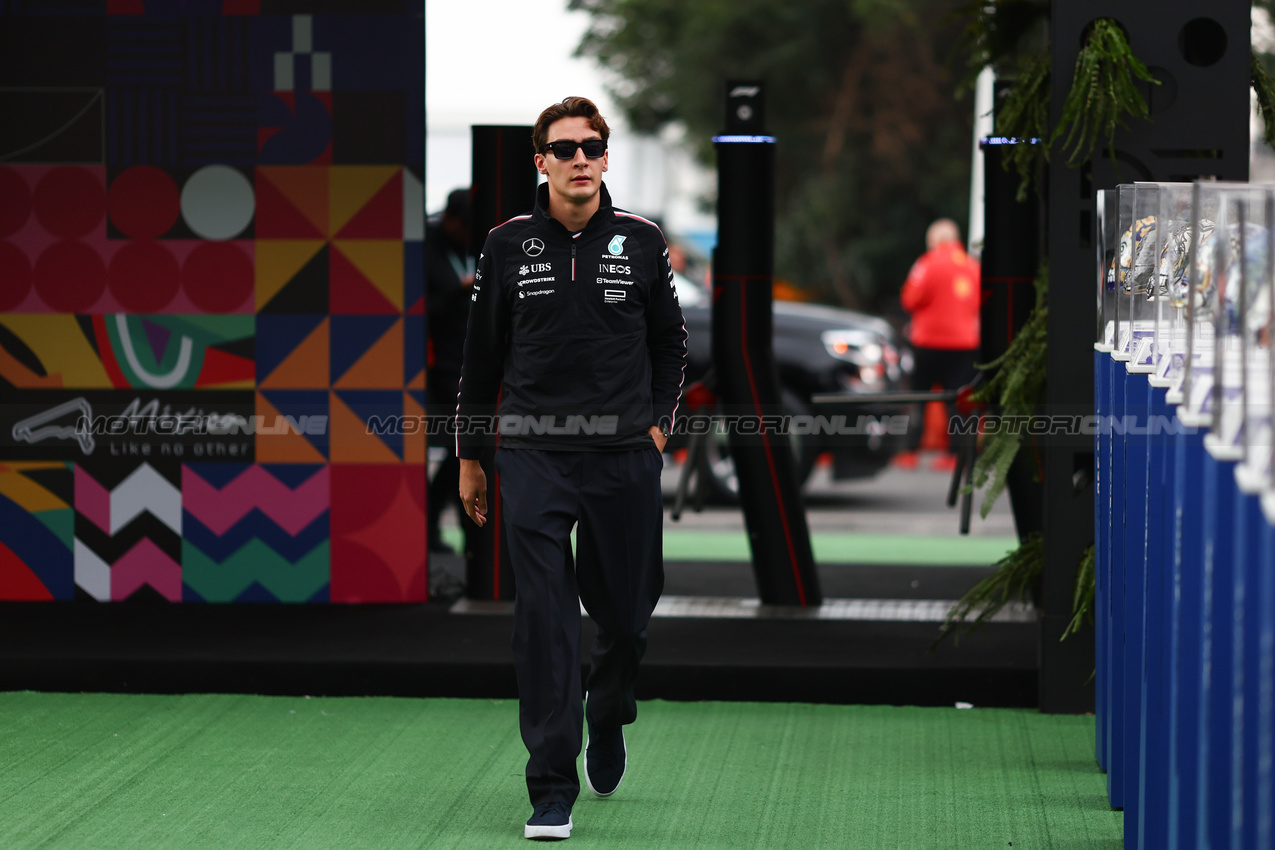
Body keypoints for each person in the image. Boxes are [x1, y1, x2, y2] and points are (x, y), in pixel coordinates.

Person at [455, 96, 686, 840]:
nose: (579, 158)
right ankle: (550, 788)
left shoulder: (643, 242)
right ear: (541, 162)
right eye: (564, 148)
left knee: (625, 619)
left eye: (591, 146)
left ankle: (609, 705)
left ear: (605, 157)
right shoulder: (505, 245)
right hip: (533, 457)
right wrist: (470, 455)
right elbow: (479, 359)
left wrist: (655, 427)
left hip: (623, 457)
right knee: (546, 625)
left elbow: (669, 345)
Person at [899, 218, 981, 466]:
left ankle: (910, 451)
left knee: (920, 397)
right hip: (965, 344)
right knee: (958, 399)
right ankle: (956, 454)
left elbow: (910, 300)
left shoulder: (926, 264)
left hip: (928, 342)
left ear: (934, 241)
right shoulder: (972, 266)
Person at [425, 188, 473, 554]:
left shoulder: (473, 247)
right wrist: (461, 290)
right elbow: (425, 306)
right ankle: (433, 525)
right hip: (438, 364)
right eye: (467, 226)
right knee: (459, 447)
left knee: (463, 448)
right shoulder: (426, 246)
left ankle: (440, 524)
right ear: (452, 219)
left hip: (468, 360)